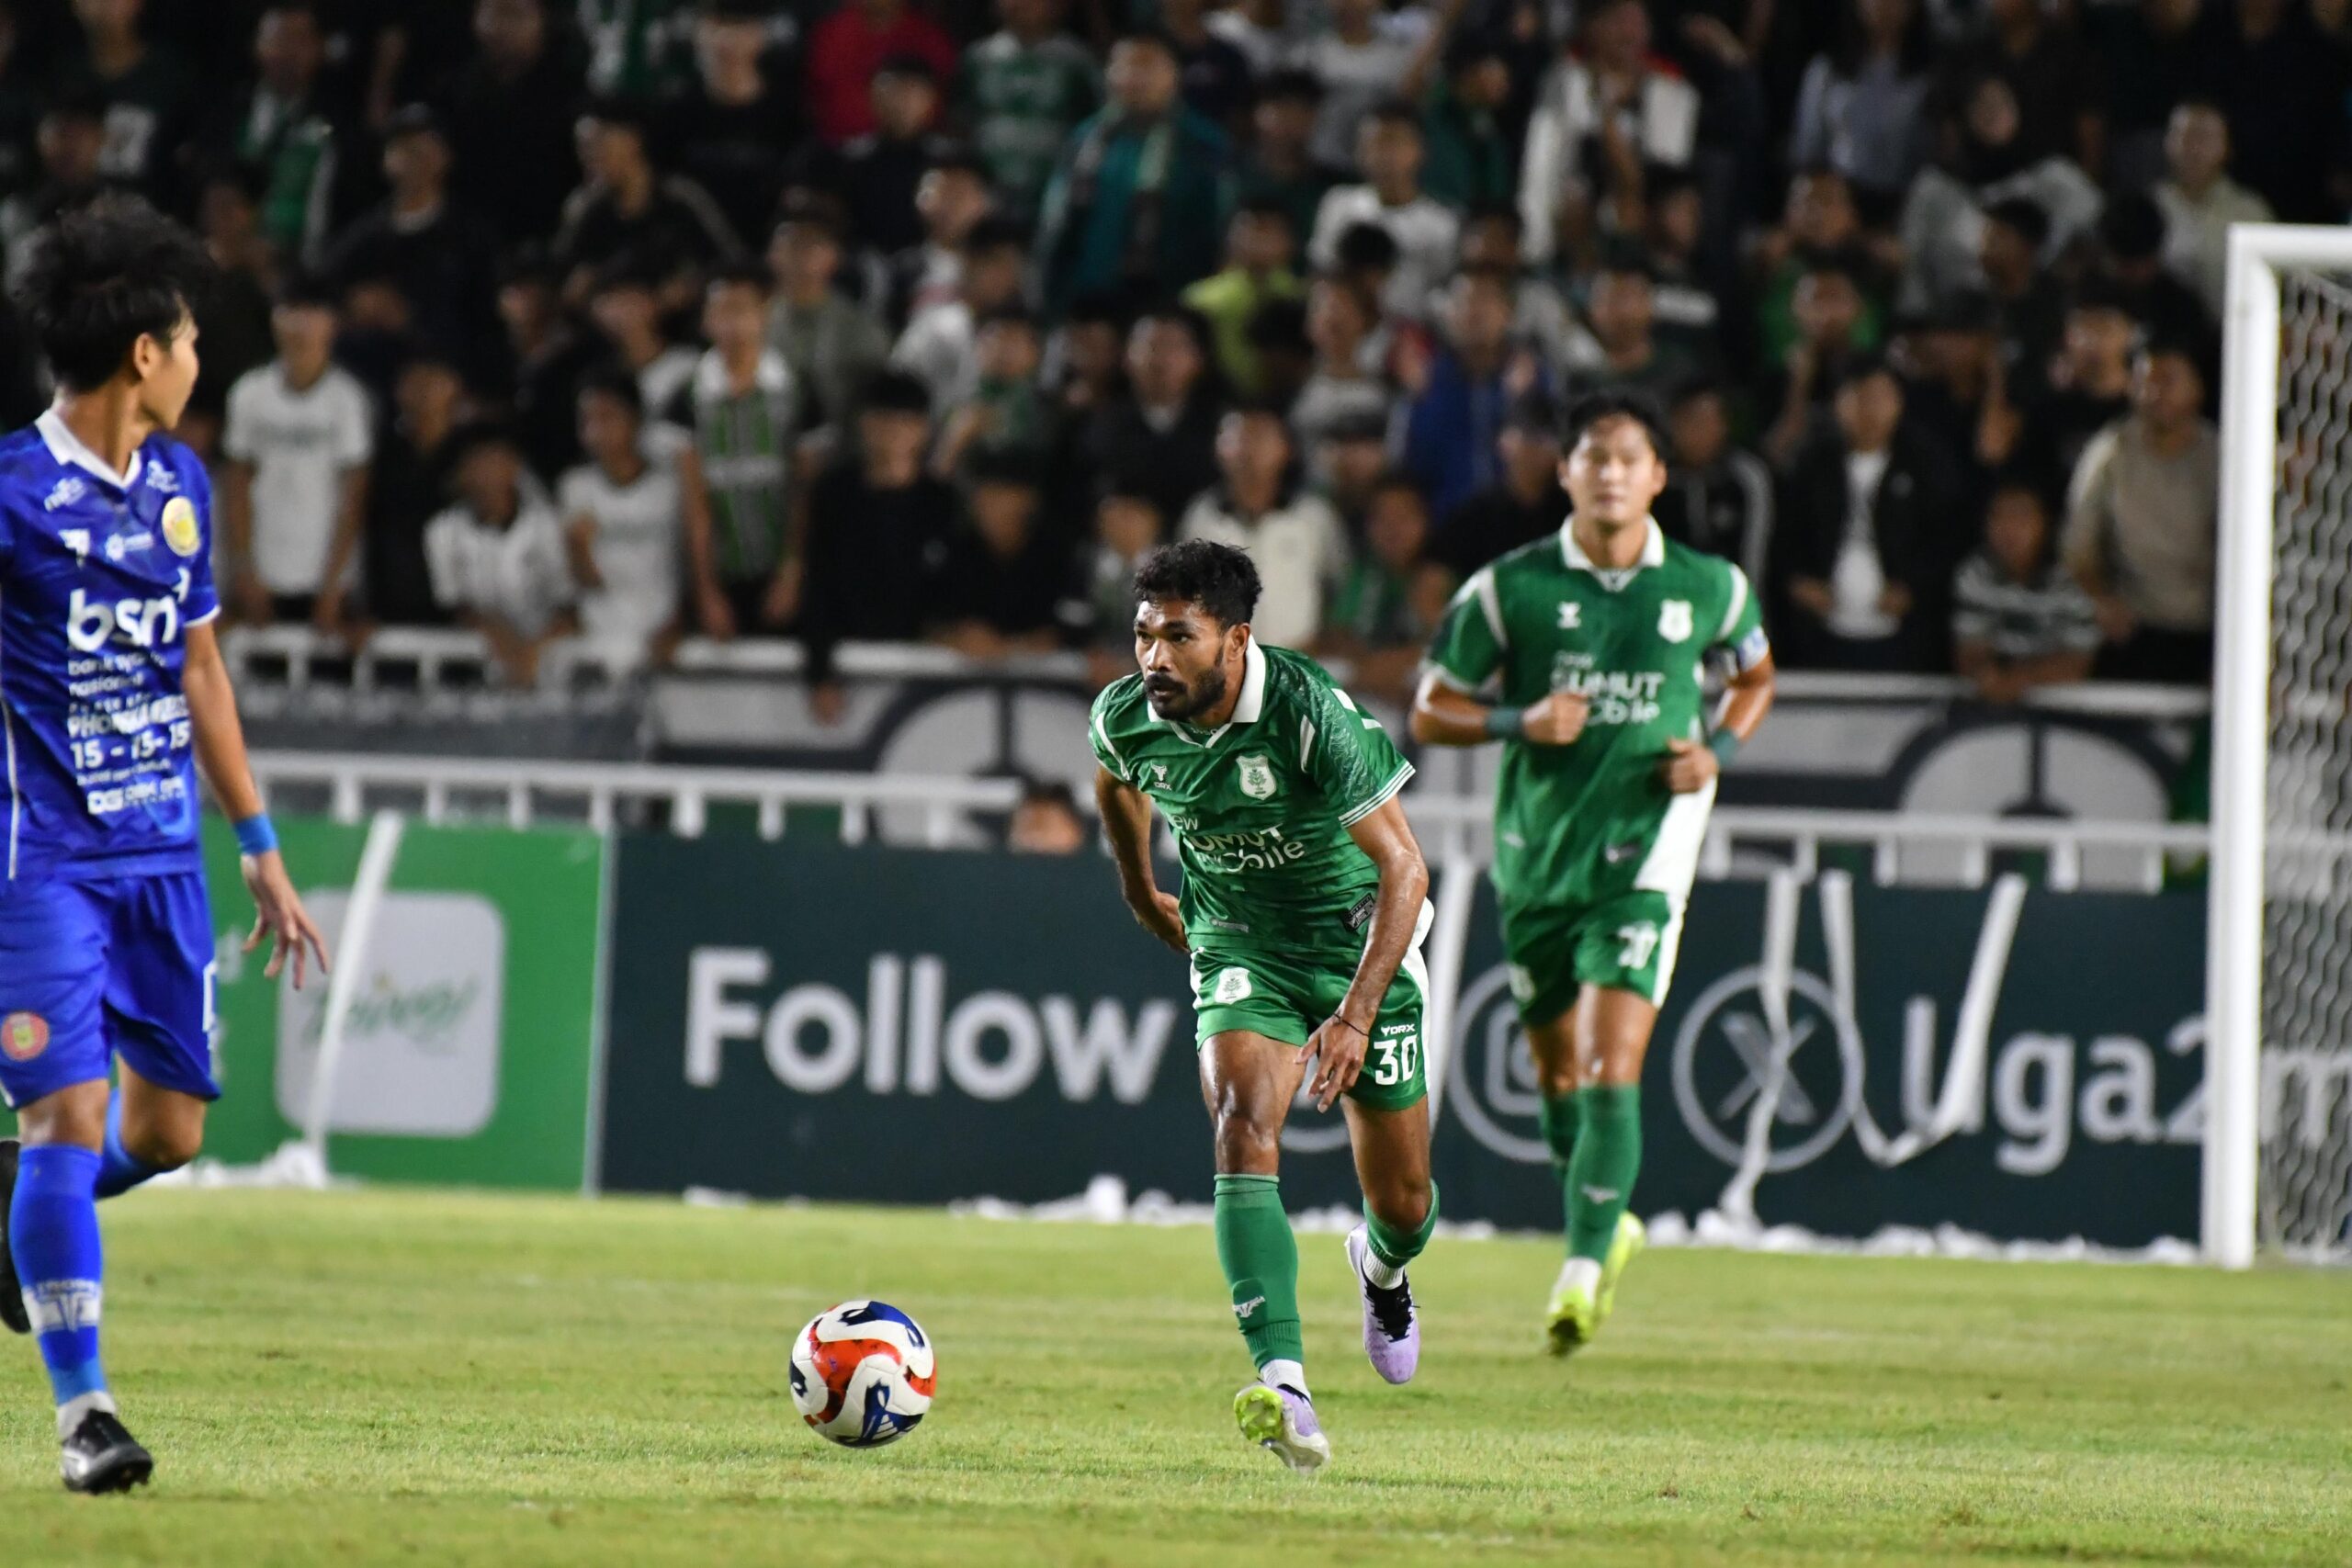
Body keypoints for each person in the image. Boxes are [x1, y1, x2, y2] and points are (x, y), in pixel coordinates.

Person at [0, 196, 328, 1494]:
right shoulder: (11, 494)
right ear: (144, 354)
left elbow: (200, 672)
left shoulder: (182, 488)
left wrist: (259, 842)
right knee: (66, 1113)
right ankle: (86, 1416)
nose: (201, 361)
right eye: (190, 341)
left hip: (163, 863)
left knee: (171, 1129)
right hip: (42, 870)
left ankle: (23, 1213)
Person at [1411, 389, 1773, 1353]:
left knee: (1613, 1061)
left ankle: (1577, 1270)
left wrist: (1717, 753)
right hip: (1538, 855)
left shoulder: (1709, 585)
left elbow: (1754, 676)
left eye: (1628, 458)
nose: (1610, 473)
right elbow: (1430, 708)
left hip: (1647, 851)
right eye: (1593, 458)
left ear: (1658, 476)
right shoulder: (1510, 588)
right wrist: (1515, 720)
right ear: (1564, 473)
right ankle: (1607, 1224)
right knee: (1558, 1074)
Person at [1090, 538, 1435, 1474]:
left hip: (1358, 943)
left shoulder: (1307, 712)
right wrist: (1140, 889)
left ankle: (1381, 1267)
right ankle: (1285, 1386)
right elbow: (1116, 782)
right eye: (1143, 635)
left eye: (1178, 636)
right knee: (1242, 1125)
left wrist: (1356, 1014)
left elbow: (1405, 869)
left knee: (1405, 1203)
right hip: (1239, 941)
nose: (1154, 657)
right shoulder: (1126, 715)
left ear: (1236, 640)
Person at [1036, 29, 1231, 314]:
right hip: (1088, 300)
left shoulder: (1202, 143)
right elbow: (1055, 221)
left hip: (1169, 300)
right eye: (1124, 66)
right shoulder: (1087, 138)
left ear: (1175, 74)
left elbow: (1214, 229)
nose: (1134, 77)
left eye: (1146, 66)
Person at [219, 274, 374, 627]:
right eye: (291, 312)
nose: (301, 326)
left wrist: (334, 583)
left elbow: (354, 497)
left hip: (326, 582)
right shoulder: (249, 394)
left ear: (332, 322)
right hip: (262, 577)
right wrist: (243, 570)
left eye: (313, 313)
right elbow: (236, 487)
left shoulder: (347, 400)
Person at [2063, 339, 2216, 684]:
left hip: (2210, 631)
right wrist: (2101, 601)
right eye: (2146, 381)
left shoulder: (2221, 457)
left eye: (2168, 380)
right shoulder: (2111, 453)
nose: (2155, 392)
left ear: (2197, 388)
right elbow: (2078, 549)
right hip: (2132, 629)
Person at [673, 260, 810, 639]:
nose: (731, 323)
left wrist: (791, 572)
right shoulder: (686, 398)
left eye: (742, 309)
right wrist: (706, 591)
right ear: (706, 320)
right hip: (722, 576)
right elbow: (694, 503)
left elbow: (804, 491)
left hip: (784, 576)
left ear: (764, 314)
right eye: (721, 310)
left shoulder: (797, 390)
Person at [1177, 404, 1351, 649]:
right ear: (1218, 449)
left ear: (1286, 449)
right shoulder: (1202, 516)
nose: (1249, 451)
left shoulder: (1313, 516)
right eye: (1237, 439)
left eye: (1261, 438)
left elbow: (1341, 586)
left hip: (1299, 659)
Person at [423, 419, 578, 684]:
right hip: (475, 672)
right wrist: (499, 638)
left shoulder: (547, 526)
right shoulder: (442, 531)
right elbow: (455, 606)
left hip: (548, 669)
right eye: (476, 464)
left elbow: (568, 609)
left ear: (514, 466)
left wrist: (532, 652)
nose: (486, 474)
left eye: (494, 461)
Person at [559, 371, 682, 670]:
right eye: (588, 420)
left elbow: (685, 566)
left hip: (662, 632)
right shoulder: (576, 488)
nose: (597, 431)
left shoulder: (669, 487)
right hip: (600, 639)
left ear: (635, 419)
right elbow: (586, 583)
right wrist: (577, 550)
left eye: (607, 418)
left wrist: (679, 623)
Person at [1308, 101, 1458, 320]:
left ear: (1419, 151)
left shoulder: (1443, 224)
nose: (1383, 155)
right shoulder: (1338, 204)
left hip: (1412, 330)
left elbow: (1443, 295)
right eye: (1373, 144)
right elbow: (1322, 274)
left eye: (1393, 143)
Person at [1952, 479, 2098, 702]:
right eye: (1999, 516)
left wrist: (2017, 682)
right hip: (1990, 701)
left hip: (2061, 704)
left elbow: (2076, 662)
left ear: (2045, 523)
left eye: (2021, 516)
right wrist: (1988, 679)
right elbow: (1970, 652)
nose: (2008, 528)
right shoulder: (1976, 573)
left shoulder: (2073, 578)